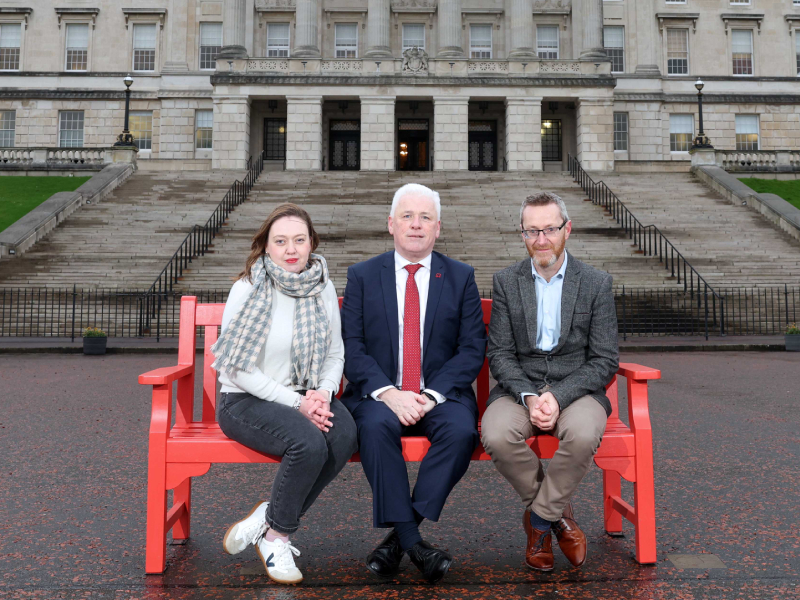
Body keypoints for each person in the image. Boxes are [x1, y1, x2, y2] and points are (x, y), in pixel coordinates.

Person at [340, 183, 487, 584]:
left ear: (438, 228)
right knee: (372, 427)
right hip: (379, 394)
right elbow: (352, 349)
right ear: (391, 224)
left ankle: (396, 540)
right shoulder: (363, 276)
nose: (416, 225)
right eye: (407, 216)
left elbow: (472, 348)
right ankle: (415, 543)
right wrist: (389, 393)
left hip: (440, 394)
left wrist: (429, 394)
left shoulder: (459, 277)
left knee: (461, 433)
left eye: (425, 218)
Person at [211, 203, 357, 585]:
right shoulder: (248, 288)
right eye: (280, 241)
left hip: (307, 394)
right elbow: (237, 369)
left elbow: (335, 351)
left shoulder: (322, 286)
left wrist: (323, 394)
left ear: (312, 244)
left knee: (343, 435)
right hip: (244, 399)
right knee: (308, 444)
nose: (291, 249)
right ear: (266, 247)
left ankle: (271, 521)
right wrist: (298, 403)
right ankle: (278, 535)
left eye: (299, 240)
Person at [480, 192, 619, 572]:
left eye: (550, 229)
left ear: (567, 230)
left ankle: (539, 522)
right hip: (519, 388)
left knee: (584, 433)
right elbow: (501, 355)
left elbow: (605, 359)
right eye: (532, 231)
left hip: (577, 390)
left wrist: (557, 396)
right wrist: (529, 396)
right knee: (495, 434)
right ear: (522, 234)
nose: (541, 239)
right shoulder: (507, 280)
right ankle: (559, 516)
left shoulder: (595, 282)